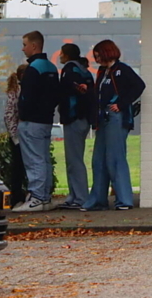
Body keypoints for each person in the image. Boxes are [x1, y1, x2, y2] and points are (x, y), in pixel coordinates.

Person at [84, 40, 144, 211]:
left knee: (115, 158)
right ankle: (97, 200)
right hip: (103, 118)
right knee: (98, 159)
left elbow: (139, 86)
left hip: (116, 118)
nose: (96, 59)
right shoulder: (103, 72)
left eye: (98, 55)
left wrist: (122, 104)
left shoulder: (122, 70)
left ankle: (124, 200)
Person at [14, 30, 60, 212]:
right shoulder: (51, 67)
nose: (23, 49)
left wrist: (23, 113)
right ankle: (45, 197)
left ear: (34, 46)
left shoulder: (33, 69)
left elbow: (27, 96)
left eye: (25, 44)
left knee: (34, 160)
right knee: (43, 159)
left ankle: (36, 197)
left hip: (31, 120)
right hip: (46, 119)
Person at [57, 43, 96, 210]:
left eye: (61, 53)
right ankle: (74, 195)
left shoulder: (69, 70)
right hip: (84, 118)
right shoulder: (84, 70)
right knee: (75, 158)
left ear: (66, 55)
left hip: (74, 118)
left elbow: (66, 92)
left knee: (74, 160)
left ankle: (80, 197)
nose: (59, 56)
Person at [4, 65, 29, 207]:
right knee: (18, 168)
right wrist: (15, 137)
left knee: (28, 166)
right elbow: (9, 114)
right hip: (18, 136)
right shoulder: (15, 91)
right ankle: (16, 196)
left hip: (28, 135)